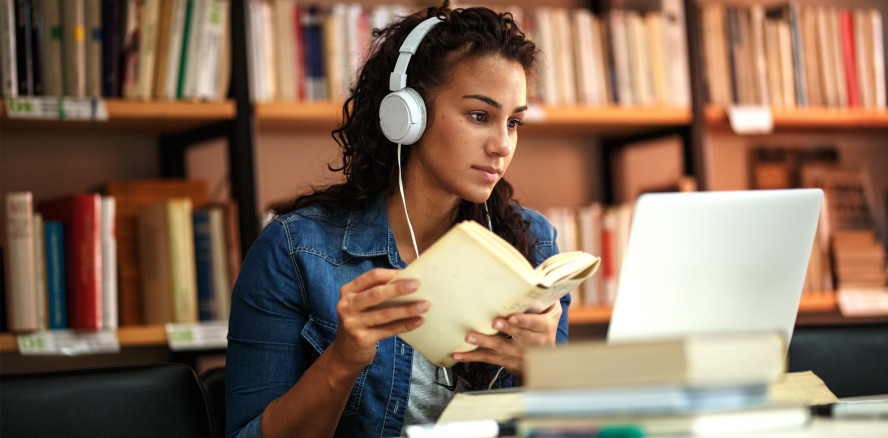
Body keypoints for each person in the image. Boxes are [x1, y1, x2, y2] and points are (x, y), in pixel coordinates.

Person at [225, 3, 570, 437]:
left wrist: (545, 373)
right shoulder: (293, 251)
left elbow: (560, 428)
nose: (502, 145)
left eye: (514, 121)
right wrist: (342, 360)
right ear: (407, 115)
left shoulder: (532, 244)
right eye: (480, 116)